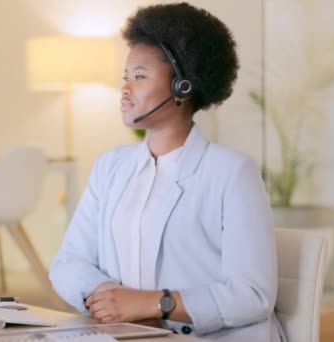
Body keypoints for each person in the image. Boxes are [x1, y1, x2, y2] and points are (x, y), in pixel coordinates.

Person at [49, 3, 286, 341]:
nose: (126, 89)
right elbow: (68, 262)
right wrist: (111, 300)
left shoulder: (232, 172)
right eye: (125, 78)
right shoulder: (110, 166)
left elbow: (253, 295)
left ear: (183, 88)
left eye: (140, 77)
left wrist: (155, 304)